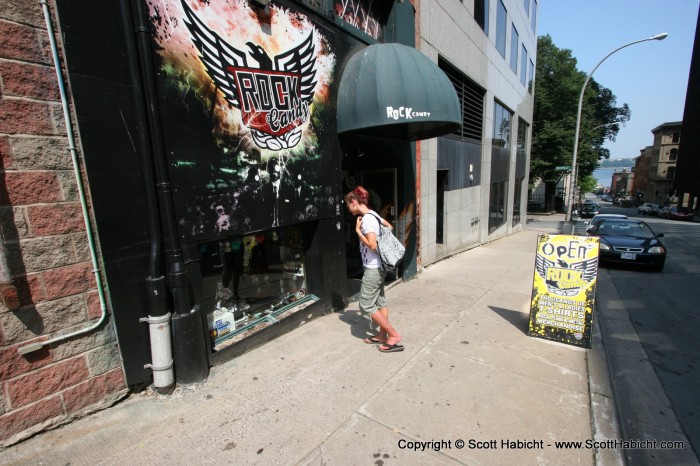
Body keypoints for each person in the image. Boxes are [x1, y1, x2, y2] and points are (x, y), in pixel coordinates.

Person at [344, 186, 403, 353]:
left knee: (366, 304)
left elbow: (371, 244)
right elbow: (389, 227)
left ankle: (393, 335)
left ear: (354, 202)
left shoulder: (367, 219)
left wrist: (358, 232)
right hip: (380, 266)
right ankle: (382, 335)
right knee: (380, 301)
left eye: (348, 204)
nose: (348, 209)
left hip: (373, 268)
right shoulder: (373, 215)